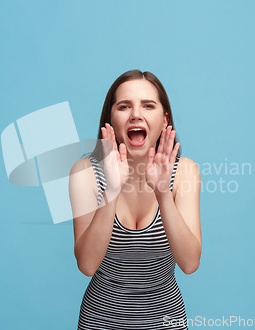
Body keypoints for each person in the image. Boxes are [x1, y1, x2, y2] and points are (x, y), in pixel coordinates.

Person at [69, 70, 202, 329]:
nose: (136, 114)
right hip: (100, 322)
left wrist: (163, 193)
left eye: (148, 105)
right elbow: (86, 265)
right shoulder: (85, 173)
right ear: (111, 119)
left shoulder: (185, 171)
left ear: (165, 120)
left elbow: (189, 263)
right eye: (124, 106)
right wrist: (112, 190)